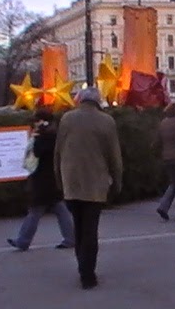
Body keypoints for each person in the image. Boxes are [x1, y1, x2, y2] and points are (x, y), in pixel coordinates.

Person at [54, 87, 123, 290]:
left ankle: (81, 265)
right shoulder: (107, 121)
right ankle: (88, 273)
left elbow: (58, 152)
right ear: (98, 101)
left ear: (80, 100)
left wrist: (59, 179)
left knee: (78, 225)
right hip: (96, 183)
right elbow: (114, 156)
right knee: (90, 229)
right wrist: (117, 181)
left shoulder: (67, 119)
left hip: (71, 181)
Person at [7, 108, 74, 251]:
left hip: (43, 180)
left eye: (37, 121)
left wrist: (37, 137)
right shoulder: (55, 135)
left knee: (36, 210)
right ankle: (71, 238)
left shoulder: (46, 137)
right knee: (59, 209)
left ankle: (23, 241)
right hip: (52, 178)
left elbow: (37, 151)